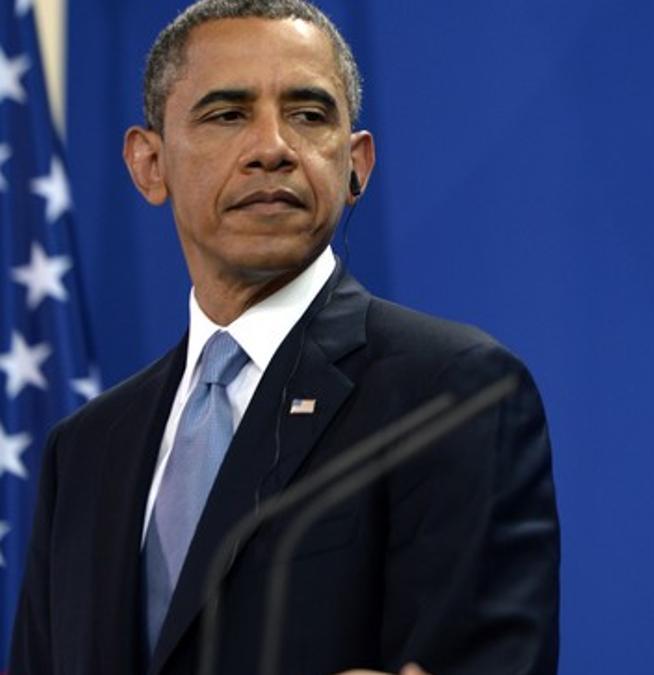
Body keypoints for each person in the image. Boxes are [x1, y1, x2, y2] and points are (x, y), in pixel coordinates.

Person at [10, 1, 560, 673]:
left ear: (356, 163)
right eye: (227, 114)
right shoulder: (85, 449)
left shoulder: (453, 395)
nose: (271, 147)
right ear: (149, 163)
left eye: (308, 114)